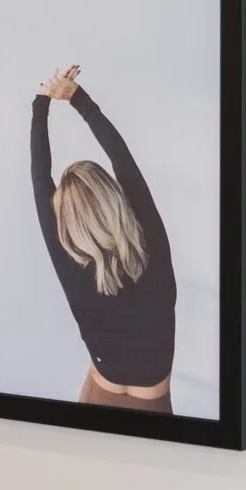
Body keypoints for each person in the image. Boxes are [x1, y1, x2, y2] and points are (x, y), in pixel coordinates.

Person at [30, 65, 177, 413]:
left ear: (66, 219)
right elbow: (121, 157)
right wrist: (78, 99)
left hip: (96, 389)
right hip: (150, 406)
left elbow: (39, 177)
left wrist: (41, 103)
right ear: (113, 195)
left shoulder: (68, 260)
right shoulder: (150, 243)